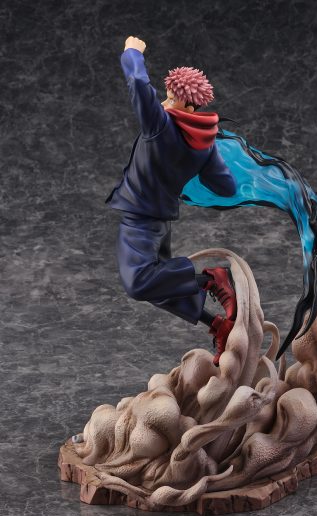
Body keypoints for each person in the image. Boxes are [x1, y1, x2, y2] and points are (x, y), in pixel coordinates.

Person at [106, 36, 238, 366]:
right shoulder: (204, 146)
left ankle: (210, 279)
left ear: (189, 108)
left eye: (172, 99)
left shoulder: (160, 127)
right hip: (160, 220)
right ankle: (217, 325)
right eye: (166, 96)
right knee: (161, 288)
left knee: (138, 283)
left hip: (140, 218)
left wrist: (132, 52)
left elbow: (139, 85)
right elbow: (224, 186)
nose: (165, 103)